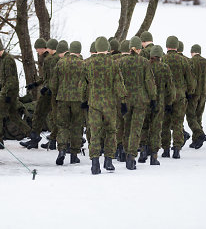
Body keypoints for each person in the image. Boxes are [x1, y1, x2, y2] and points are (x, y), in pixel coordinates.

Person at [81, 37, 127, 175]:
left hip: (94, 103)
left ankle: (95, 163)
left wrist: (84, 100)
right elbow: (119, 84)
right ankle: (109, 160)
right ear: (107, 49)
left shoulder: (88, 64)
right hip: (110, 104)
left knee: (95, 133)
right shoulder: (113, 64)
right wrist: (123, 101)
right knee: (111, 132)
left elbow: (83, 85)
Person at [117, 36, 157, 170]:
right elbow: (149, 82)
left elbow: (118, 82)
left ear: (130, 48)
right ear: (139, 49)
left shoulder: (121, 62)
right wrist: (153, 98)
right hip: (141, 100)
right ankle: (131, 156)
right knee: (136, 128)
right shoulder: (144, 62)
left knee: (126, 127)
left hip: (126, 100)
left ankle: (125, 151)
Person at [0, 41, 31, 149]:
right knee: (13, 115)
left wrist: (7, 94)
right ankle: (32, 134)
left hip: (9, 93)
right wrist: (0, 88)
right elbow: (5, 78)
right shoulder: (5, 59)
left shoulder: (8, 60)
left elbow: (11, 79)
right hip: (9, 91)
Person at [139, 45, 175, 165]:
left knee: (143, 127)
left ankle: (143, 150)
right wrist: (169, 102)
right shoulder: (165, 68)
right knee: (156, 129)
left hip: (145, 101)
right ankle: (154, 157)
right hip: (159, 103)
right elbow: (170, 88)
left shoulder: (145, 66)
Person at [161, 36, 195, 159]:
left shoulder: (162, 59)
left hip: (166, 97)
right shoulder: (183, 61)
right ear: (176, 47)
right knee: (178, 123)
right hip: (180, 96)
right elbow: (190, 80)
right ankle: (176, 149)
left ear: (167, 46)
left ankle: (165, 149)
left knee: (165, 123)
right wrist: (190, 92)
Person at [50, 41, 84, 165]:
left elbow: (53, 84)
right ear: (79, 51)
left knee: (62, 126)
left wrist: (57, 94)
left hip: (62, 99)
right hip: (78, 100)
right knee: (77, 126)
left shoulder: (60, 63)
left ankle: (62, 150)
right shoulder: (82, 64)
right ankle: (74, 154)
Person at [20, 38, 50, 149]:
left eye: (37, 49)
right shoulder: (46, 58)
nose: (37, 51)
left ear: (42, 47)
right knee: (42, 114)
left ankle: (36, 138)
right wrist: (35, 84)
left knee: (40, 114)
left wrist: (46, 87)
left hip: (49, 92)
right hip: (48, 91)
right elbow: (45, 77)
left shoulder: (49, 59)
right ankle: (36, 138)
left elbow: (52, 77)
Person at [186, 44, 206, 149]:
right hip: (203, 94)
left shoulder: (190, 62)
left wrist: (188, 92)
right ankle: (196, 140)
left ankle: (200, 134)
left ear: (192, 52)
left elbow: (189, 79)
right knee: (198, 116)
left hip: (193, 94)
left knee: (190, 116)